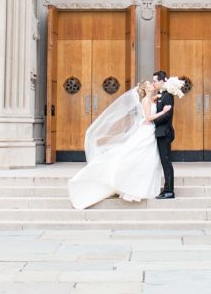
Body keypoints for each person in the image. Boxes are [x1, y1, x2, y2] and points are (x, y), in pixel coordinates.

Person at [67, 80, 170, 210]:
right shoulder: (145, 100)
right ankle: (129, 184)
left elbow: (152, 103)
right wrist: (163, 112)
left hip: (149, 131)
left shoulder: (151, 99)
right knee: (140, 158)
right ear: (146, 89)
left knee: (148, 160)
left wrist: (158, 97)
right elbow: (148, 118)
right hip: (146, 131)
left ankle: (142, 187)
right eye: (149, 84)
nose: (152, 85)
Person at [152, 69, 176, 199]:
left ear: (162, 81)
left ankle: (169, 191)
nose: (153, 83)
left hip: (164, 133)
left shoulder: (167, 96)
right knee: (164, 161)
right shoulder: (161, 95)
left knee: (166, 162)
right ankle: (166, 188)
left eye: (155, 81)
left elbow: (168, 115)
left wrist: (153, 121)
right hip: (160, 133)